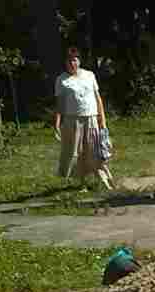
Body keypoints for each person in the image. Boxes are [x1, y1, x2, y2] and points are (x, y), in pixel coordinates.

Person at [54, 46, 113, 190]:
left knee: (95, 152)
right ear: (65, 63)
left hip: (91, 118)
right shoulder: (61, 80)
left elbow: (98, 99)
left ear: (79, 61)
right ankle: (82, 184)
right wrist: (57, 123)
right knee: (78, 154)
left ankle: (105, 180)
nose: (72, 63)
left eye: (74, 60)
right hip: (73, 120)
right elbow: (60, 104)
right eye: (69, 61)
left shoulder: (89, 75)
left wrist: (102, 120)